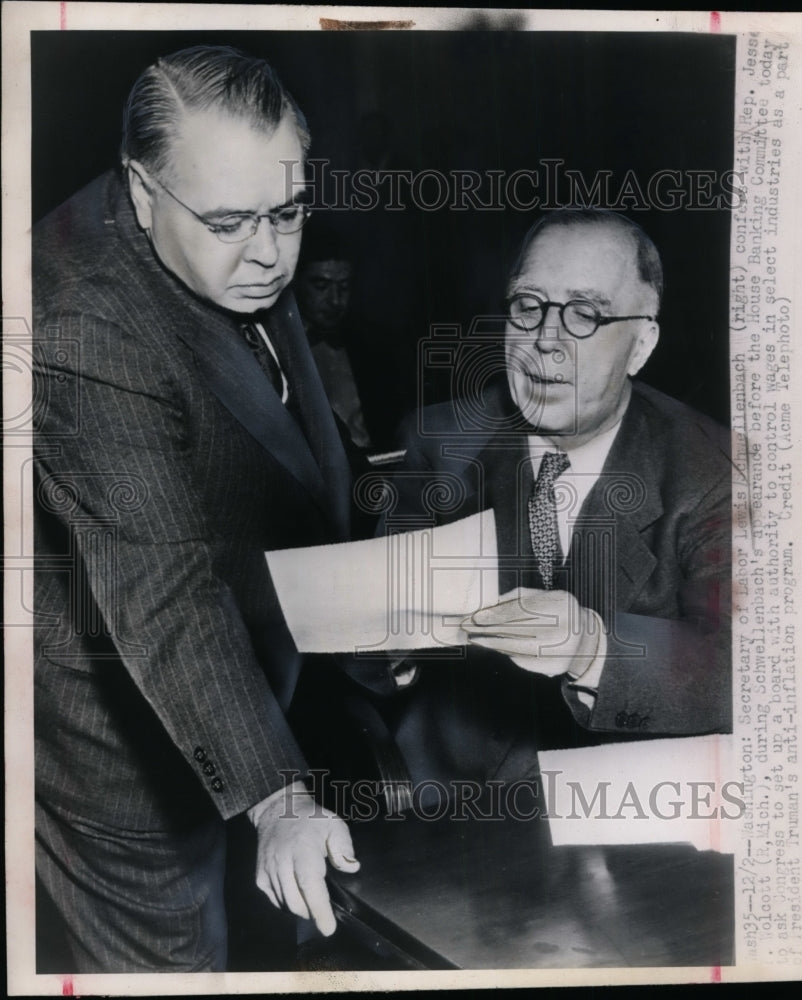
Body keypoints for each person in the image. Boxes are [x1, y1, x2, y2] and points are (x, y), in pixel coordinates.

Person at [32, 45, 370, 973]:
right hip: (110, 740)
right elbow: (164, 589)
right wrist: (278, 798)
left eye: (290, 211)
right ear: (142, 191)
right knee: (177, 971)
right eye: (232, 221)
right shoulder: (83, 331)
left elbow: (290, 449)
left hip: (244, 682)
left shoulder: (236, 225)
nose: (270, 251)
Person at [383, 209, 734, 796]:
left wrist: (591, 646)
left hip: (626, 804)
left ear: (641, 344)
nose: (546, 341)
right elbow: (364, 657)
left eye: (586, 314)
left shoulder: (714, 473)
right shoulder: (436, 441)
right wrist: (389, 649)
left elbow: (750, 670)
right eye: (529, 305)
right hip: (446, 805)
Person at [292, 225, 373, 449]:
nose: (335, 300)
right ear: (295, 282)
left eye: (344, 287)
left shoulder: (371, 346)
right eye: (321, 286)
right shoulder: (277, 348)